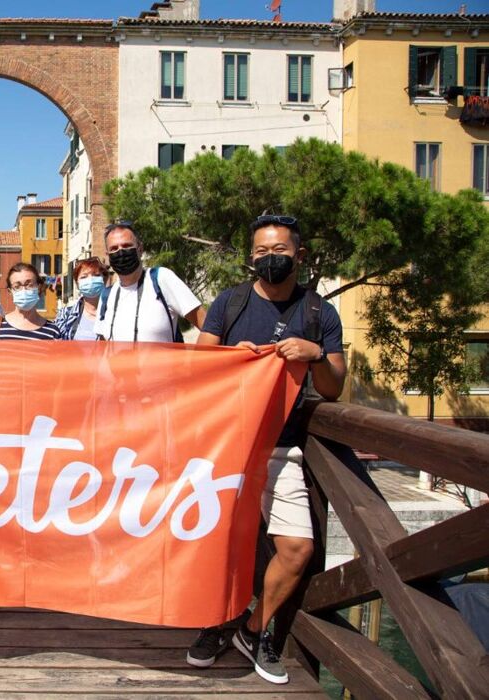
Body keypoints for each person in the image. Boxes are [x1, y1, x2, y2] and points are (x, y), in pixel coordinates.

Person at [185, 213, 346, 684]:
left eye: (278, 251)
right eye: (260, 251)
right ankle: (216, 623)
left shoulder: (319, 313)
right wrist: (233, 362)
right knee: (216, 545)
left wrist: (314, 354)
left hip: (284, 450)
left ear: (299, 255)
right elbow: (199, 368)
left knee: (297, 547)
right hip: (228, 448)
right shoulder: (229, 303)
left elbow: (334, 387)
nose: (269, 259)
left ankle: (254, 630)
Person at [94, 220, 205, 343]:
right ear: (108, 255)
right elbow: (103, 345)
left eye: (126, 246)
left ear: (140, 249)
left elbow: (208, 327)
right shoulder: (107, 295)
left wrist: (196, 360)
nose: (121, 252)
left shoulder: (161, 279)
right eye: (114, 248)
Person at [0, 262, 61, 340]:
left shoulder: (52, 331)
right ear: (10, 292)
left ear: (39, 288)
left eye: (29, 285)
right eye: (17, 286)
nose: (24, 290)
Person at [55, 257, 112, 341]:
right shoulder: (65, 315)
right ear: (77, 284)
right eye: (84, 277)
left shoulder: (117, 312)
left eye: (96, 275)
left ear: (104, 279)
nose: (90, 280)